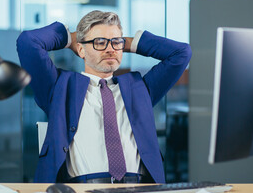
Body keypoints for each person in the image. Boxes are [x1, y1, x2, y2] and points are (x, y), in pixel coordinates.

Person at [17, 10, 192, 183]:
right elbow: (28, 43)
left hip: (139, 190)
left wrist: (129, 43)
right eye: (100, 42)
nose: (110, 49)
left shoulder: (139, 88)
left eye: (116, 42)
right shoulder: (60, 87)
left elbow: (181, 53)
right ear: (81, 50)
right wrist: (69, 38)